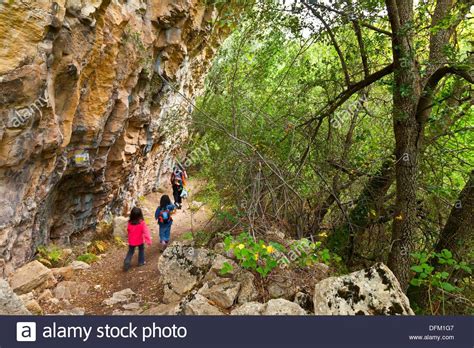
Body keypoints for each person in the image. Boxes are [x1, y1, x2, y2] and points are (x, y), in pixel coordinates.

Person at [123, 207, 151, 271]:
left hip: (131, 241)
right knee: (141, 250)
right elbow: (146, 232)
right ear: (140, 214)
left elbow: (128, 230)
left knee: (130, 251)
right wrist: (148, 240)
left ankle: (127, 262)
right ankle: (141, 262)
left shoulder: (129, 223)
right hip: (139, 240)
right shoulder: (142, 223)